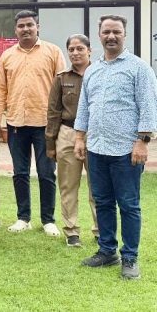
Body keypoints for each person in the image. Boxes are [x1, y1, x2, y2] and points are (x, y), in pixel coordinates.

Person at [75, 15, 157, 280]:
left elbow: (148, 106)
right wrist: (80, 138)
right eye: (106, 31)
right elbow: (84, 107)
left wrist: (143, 141)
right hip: (96, 148)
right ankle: (107, 251)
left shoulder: (139, 68)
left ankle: (130, 257)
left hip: (126, 151)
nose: (111, 36)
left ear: (125, 34)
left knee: (129, 205)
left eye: (116, 32)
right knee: (103, 202)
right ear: (99, 35)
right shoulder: (93, 70)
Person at [0, 10, 65, 235]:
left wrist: (61, 121)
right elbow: (0, 91)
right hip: (16, 124)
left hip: (45, 124)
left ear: (37, 27)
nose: (25, 29)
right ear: (15, 30)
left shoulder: (53, 52)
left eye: (29, 25)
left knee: (46, 172)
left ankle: (48, 220)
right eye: (21, 26)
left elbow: (63, 88)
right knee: (20, 173)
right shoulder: (7, 56)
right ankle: (23, 218)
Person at [45, 34, 98, 247]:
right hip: (67, 133)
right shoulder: (61, 78)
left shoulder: (100, 73)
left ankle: (101, 231)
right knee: (68, 186)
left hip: (96, 134)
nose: (75, 53)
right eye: (71, 49)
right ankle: (72, 231)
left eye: (80, 49)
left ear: (89, 51)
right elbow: (53, 111)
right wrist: (50, 143)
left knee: (98, 187)